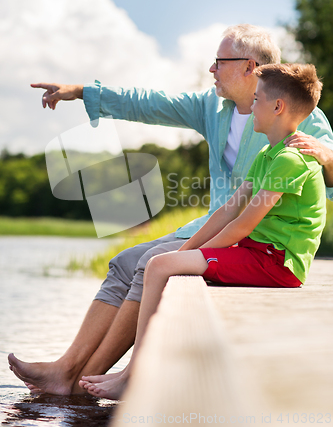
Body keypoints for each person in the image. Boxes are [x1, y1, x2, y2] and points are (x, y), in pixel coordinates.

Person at [8, 25, 333, 396]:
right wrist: (83, 92)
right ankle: (67, 366)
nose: (211, 69)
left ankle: (82, 383)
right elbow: (149, 102)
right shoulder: (214, 109)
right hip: (217, 223)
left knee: (150, 261)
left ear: (249, 66)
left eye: (219, 62)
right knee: (124, 261)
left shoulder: (300, 117)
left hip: (259, 238)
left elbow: (319, 173)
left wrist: (327, 155)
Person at [78, 62, 326, 400]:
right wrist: (187, 250)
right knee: (163, 261)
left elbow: (243, 224)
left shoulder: (291, 160)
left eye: (257, 100)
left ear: (278, 107)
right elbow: (229, 210)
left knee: (160, 264)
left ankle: (133, 374)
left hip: (278, 263)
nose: (251, 108)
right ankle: (130, 371)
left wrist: (188, 255)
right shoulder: (269, 153)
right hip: (259, 252)